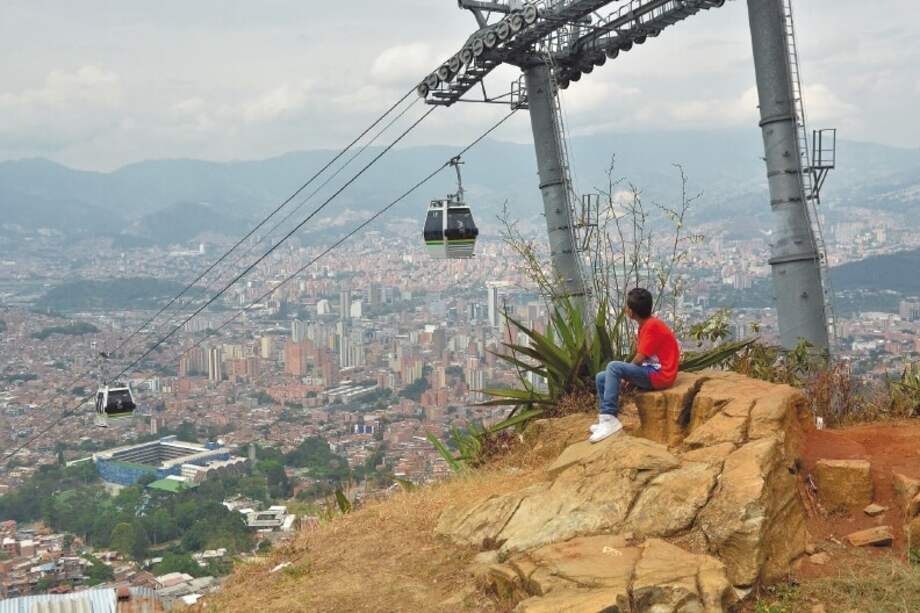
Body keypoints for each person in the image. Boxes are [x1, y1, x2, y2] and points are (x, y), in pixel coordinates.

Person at [589, 287, 680, 443]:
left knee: (613, 367)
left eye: (627, 307)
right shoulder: (647, 324)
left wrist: (626, 377)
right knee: (601, 378)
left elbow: (639, 358)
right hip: (651, 370)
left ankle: (609, 418)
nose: (625, 309)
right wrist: (628, 375)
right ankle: (605, 419)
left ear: (631, 312)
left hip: (660, 375)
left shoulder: (651, 326)